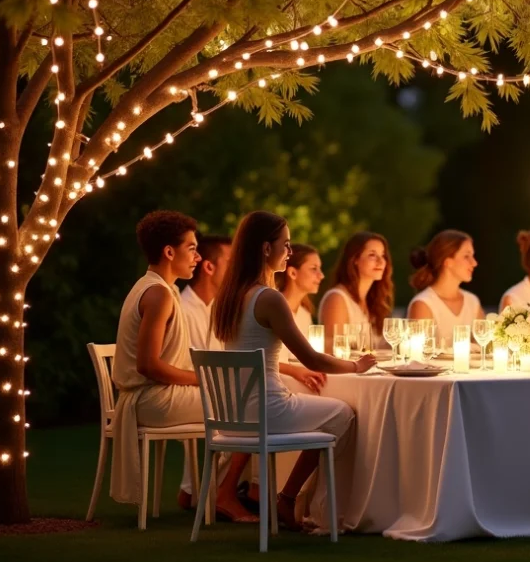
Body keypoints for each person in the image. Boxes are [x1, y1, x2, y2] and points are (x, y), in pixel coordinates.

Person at [212, 211, 373, 530]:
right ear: (265, 249)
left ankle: (287, 499)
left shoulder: (228, 297)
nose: (290, 252)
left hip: (235, 412)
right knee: (343, 413)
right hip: (267, 410)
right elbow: (312, 359)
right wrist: (357, 365)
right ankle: (292, 499)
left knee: (328, 413)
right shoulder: (268, 298)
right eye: (285, 245)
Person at [108, 212, 252, 521]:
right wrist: (203, 379)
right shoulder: (158, 294)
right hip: (151, 400)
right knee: (249, 407)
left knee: (242, 402)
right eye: (191, 248)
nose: (198, 257)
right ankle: (223, 494)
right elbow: (148, 366)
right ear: (169, 252)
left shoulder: (162, 288)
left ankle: (208, 490)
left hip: (153, 395)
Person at [407, 229, 484, 349]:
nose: (474, 263)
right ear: (447, 262)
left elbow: (483, 347)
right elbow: (418, 357)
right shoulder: (423, 304)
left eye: (472, 256)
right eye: (466, 256)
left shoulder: (472, 302)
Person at [320, 232, 393, 353]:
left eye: (383, 255)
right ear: (355, 260)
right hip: (347, 371)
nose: (381, 261)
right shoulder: (337, 298)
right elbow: (333, 351)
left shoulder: (373, 301)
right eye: (372, 255)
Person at [179, 234, 231, 351]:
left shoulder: (222, 313)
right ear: (209, 267)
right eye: (231, 264)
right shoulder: (181, 311)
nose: (237, 272)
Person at [276, 243, 324, 364]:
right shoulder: (274, 307)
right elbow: (268, 361)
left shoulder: (304, 314)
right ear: (293, 273)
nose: (321, 275)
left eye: (320, 269)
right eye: (314, 269)